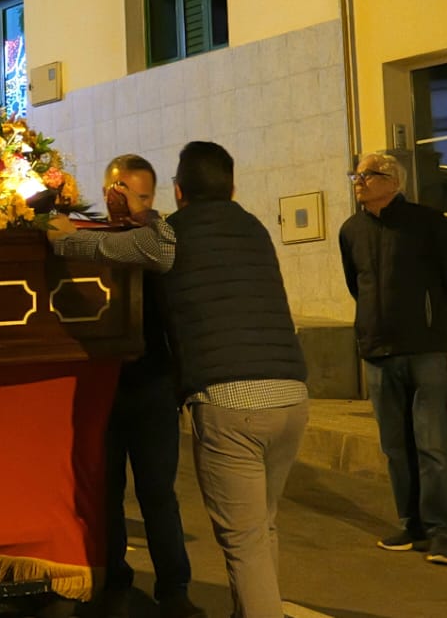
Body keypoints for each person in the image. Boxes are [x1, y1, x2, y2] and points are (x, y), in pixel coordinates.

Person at [48, 157, 204, 618]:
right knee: (106, 490)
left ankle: (174, 588)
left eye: (139, 195)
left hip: (154, 384)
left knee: (158, 493)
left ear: (152, 197)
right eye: (119, 191)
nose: (127, 202)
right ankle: (112, 580)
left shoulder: (160, 241)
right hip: (105, 385)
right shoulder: (90, 237)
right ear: (105, 191)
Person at [164, 142, 308, 618]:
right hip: (291, 395)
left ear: (179, 190)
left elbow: (110, 248)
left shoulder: (171, 232)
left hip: (230, 402)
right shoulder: (255, 228)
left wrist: (61, 234)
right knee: (262, 527)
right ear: (232, 187)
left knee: (243, 541)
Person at [339, 152, 447, 566]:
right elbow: (356, 284)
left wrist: (439, 324)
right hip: (378, 350)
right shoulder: (351, 230)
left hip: (425, 349)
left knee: (433, 445)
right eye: (357, 175)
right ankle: (412, 526)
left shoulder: (426, 222)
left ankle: (442, 534)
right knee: (395, 446)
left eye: (368, 175)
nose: (359, 182)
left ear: (394, 182)